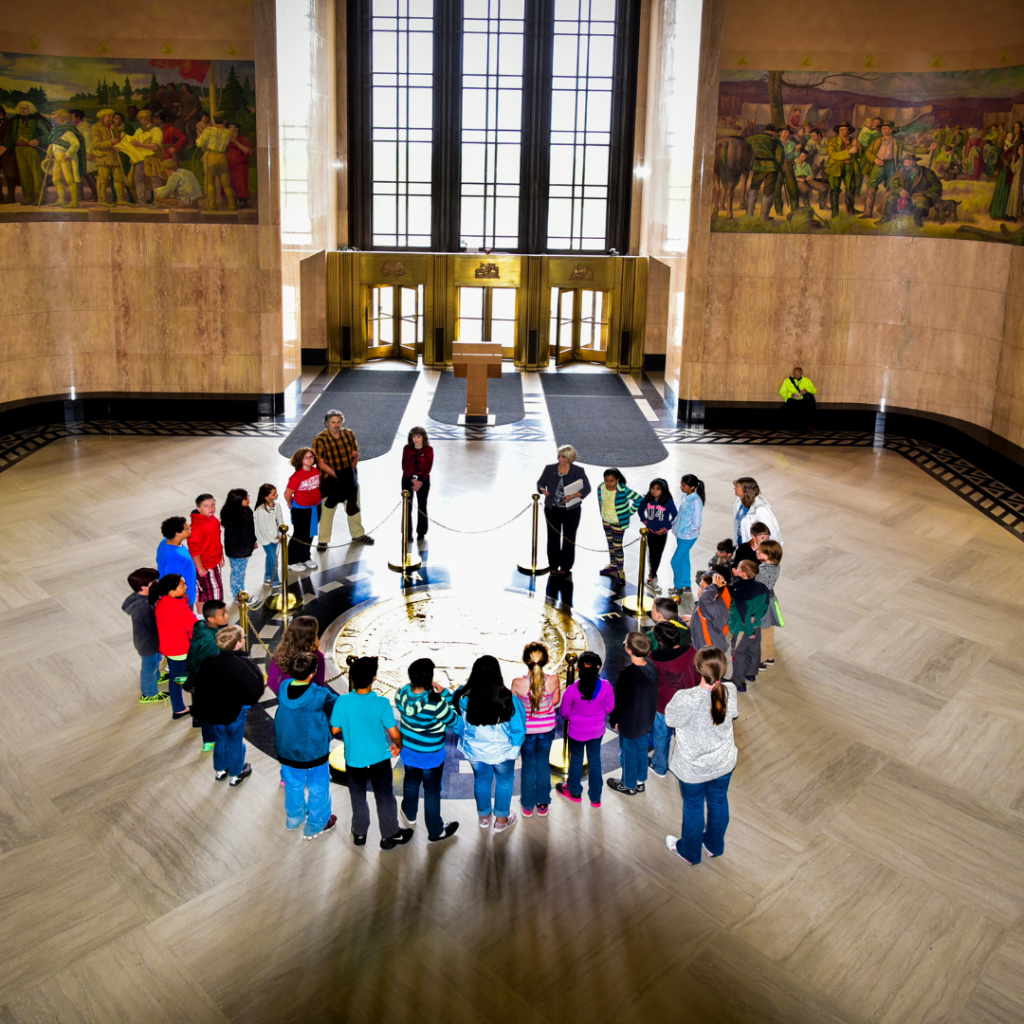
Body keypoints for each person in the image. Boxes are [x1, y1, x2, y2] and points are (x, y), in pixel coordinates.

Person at [664, 647, 738, 866]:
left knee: (694, 806)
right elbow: (731, 714)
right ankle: (714, 846)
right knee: (718, 801)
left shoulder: (686, 698)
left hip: (693, 768)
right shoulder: (730, 690)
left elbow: (670, 720)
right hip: (723, 762)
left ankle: (689, 851)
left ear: (697, 670)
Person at [330, 656, 413, 849]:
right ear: (374, 678)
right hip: (380, 759)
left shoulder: (343, 701)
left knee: (357, 796)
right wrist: (398, 745)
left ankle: (359, 833)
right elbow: (393, 733)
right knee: (384, 796)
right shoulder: (382, 703)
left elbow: (334, 730)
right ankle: (389, 834)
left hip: (354, 760)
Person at [453, 655, 527, 832]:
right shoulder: (508, 699)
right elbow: (519, 729)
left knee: (481, 781)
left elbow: (457, 722)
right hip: (502, 752)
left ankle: (484, 817)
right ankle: (501, 820)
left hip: (475, 751)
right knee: (504, 781)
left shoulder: (464, 698)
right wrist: (515, 746)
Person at [395, 657, 460, 843]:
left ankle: (410, 813)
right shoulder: (436, 703)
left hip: (409, 751)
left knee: (411, 782)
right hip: (431, 755)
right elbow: (453, 719)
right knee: (431, 792)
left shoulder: (401, 694)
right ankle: (435, 830)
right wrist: (446, 694)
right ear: (429, 679)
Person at [190, 625, 264, 786]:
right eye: (243, 638)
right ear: (238, 643)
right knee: (235, 742)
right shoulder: (244, 663)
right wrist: (247, 702)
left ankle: (220, 770)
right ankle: (236, 775)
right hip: (236, 711)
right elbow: (257, 686)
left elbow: (200, 685)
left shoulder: (209, 661)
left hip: (215, 711)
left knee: (221, 739)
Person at [275, 651, 338, 839]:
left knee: (293, 784)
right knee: (318, 786)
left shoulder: (284, 686)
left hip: (287, 750)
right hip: (313, 751)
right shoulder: (320, 694)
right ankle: (317, 823)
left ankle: (294, 818)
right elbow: (337, 707)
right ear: (313, 673)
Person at [555, 651, 614, 807]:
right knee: (595, 761)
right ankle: (595, 797)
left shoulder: (572, 690)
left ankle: (574, 791)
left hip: (576, 732)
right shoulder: (606, 686)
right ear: (599, 668)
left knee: (576, 760)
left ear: (577, 669)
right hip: (597, 731)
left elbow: (564, 713)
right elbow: (609, 708)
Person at [510, 642, 562, 817]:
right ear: (545, 660)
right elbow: (555, 702)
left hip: (527, 731)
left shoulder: (517, 683)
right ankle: (542, 804)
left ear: (526, 661)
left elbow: (514, 707)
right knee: (543, 765)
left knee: (528, 766)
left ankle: (527, 805)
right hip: (547, 729)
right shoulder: (554, 680)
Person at [313, 409, 373, 551]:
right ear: (327, 423)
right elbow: (321, 463)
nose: (336, 425)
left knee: (354, 507)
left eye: (339, 422)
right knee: (328, 509)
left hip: (349, 479)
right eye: (333, 422)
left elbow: (355, 454)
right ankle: (323, 541)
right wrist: (338, 476)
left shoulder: (349, 434)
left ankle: (358, 534)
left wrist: (349, 472)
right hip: (329, 481)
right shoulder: (319, 439)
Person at [607, 632, 658, 796]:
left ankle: (628, 784)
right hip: (646, 720)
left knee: (628, 753)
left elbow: (620, 700)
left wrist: (614, 719)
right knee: (642, 750)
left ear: (628, 650)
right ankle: (641, 780)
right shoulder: (650, 666)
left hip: (630, 722)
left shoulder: (628, 674)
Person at [649, 621, 699, 779]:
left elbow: (651, 681)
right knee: (685, 738)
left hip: (663, 706)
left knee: (661, 737)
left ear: (660, 642)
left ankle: (660, 767)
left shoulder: (654, 657)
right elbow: (698, 676)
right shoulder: (692, 651)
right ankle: (686, 768)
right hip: (687, 704)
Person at [537, 444, 592, 576]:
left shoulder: (578, 470)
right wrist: (542, 490)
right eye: (559, 456)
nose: (560, 458)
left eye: (563, 456)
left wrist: (573, 495)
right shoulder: (550, 469)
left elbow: (587, 489)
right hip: (552, 509)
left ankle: (566, 567)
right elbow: (540, 483)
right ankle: (553, 565)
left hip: (571, 511)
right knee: (553, 537)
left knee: (569, 538)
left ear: (570, 457)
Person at [185, 599, 230, 752]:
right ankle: (211, 738)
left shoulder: (200, 626)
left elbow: (192, 654)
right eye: (223, 614)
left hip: (201, 682)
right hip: (208, 683)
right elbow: (202, 664)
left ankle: (207, 737)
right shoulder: (212, 641)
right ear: (211, 619)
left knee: (203, 710)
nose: (227, 616)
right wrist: (190, 682)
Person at [150, 573, 197, 719]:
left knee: (175, 678)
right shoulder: (179, 608)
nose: (186, 587)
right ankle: (198, 716)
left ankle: (178, 708)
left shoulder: (162, 603)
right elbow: (195, 627)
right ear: (172, 591)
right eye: (182, 586)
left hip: (170, 649)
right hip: (182, 649)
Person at [122, 567, 167, 704]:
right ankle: (149, 693)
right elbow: (153, 626)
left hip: (146, 641)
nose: (157, 582)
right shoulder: (144, 607)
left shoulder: (138, 597)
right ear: (144, 587)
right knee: (149, 666)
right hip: (149, 644)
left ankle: (157, 676)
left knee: (155, 661)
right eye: (154, 581)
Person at [728, 560, 770, 692]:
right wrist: (755, 618)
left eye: (739, 568)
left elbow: (743, 615)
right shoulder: (763, 587)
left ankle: (738, 682)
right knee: (754, 649)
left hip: (743, 629)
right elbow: (765, 606)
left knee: (738, 653)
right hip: (756, 625)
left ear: (744, 573)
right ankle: (751, 674)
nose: (737, 569)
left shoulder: (740, 590)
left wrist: (749, 630)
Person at [596, 468, 643, 582]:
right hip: (606, 520)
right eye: (606, 480)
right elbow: (601, 502)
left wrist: (629, 513)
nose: (609, 483)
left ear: (617, 480)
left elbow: (639, 499)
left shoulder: (623, 490)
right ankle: (613, 566)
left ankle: (620, 571)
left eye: (611, 481)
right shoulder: (601, 488)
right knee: (611, 545)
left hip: (618, 522)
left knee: (617, 546)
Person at [267, 616, 327, 696]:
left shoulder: (281, 652)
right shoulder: (318, 656)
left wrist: (285, 695)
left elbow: (272, 682)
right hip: (308, 697)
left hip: (287, 698)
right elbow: (320, 683)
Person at [878, 154, 942, 228]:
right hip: (905, 195)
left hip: (919, 195)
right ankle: (885, 218)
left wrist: (925, 192)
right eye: (904, 163)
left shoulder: (926, 172)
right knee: (891, 197)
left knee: (920, 202)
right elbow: (893, 184)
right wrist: (900, 190)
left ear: (914, 163)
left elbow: (937, 185)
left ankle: (917, 220)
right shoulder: (901, 172)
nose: (905, 165)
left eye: (908, 162)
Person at [284, 447, 322, 572]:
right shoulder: (296, 477)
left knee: (310, 534)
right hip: (301, 510)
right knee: (299, 535)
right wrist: (291, 505)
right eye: (306, 457)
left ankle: (305, 557)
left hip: (315, 507)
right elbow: (288, 494)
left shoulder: (316, 471)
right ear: (300, 460)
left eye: (311, 457)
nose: (310, 459)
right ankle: (291, 561)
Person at [638, 478, 677, 594]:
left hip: (662, 534)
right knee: (651, 553)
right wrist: (645, 521)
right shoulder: (647, 500)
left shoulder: (668, 502)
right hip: (650, 532)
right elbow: (640, 510)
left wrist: (666, 528)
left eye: (658, 489)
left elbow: (675, 516)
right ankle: (652, 575)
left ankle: (652, 576)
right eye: (653, 488)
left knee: (657, 554)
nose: (654, 491)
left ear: (663, 490)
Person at [670, 474, 705, 598]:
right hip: (680, 534)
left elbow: (696, 523)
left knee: (675, 561)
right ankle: (686, 585)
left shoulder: (696, 501)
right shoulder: (685, 496)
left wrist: (685, 532)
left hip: (687, 537)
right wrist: (674, 524)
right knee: (684, 559)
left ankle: (678, 587)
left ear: (692, 487)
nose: (681, 487)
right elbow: (681, 514)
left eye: (684, 485)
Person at [188, 493, 226, 606]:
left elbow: (217, 540)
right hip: (207, 566)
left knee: (203, 593)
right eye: (206, 506)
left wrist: (221, 556)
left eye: (213, 505)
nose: (211, 508)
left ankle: (202, 618)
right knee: (216, 595)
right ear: (198, 508)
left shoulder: (214, 520)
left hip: (214, 561)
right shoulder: (197, 527)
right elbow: (194, 550)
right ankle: (216, 619)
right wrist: (200, 568)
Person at [221, 488, 257, 600]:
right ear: (238, 500)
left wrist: (253, 541)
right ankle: (238, 596)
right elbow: (233, 538)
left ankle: (241, 591)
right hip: (237, 552)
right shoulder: (232, 518)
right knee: (237, 574)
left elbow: (250, 529)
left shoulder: (246, 510)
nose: (249, 499)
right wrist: (242, 549)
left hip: (245, 549)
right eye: (246, 497)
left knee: (241, 572)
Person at [157, 515, 198, 608]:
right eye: (187, 528)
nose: (190, 528)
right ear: (177, 534)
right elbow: (175, 584)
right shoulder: (174, 557)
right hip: (182, 601)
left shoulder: (165, 542)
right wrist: (185, 601)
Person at [686, 573, 732, 654]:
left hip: (707, 650)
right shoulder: (708, 606)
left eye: (703, 588)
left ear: (714, 593)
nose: (699, 590)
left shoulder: (713, 608)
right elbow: (704, 617)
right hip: (700, 642)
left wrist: (714, 585)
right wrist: (693, 619)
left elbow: (705, 600)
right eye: (699, 586)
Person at [196, 115, 236, 211]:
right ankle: (232, 205)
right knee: (226, 183)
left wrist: (199, 137)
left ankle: (212, 205)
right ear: (224, 121)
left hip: (211, 156)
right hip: (222, 157)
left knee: (210, 182)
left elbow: (199, 143)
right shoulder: (228, 132)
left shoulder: (209, 130)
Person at [745, 123, 783, 220]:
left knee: (753, 189)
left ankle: (749, 215)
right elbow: (780, 157)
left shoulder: (753, 138)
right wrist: (779, 164)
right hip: (772, 168)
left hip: (758, 167)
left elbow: (745, 144)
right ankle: (763, 217)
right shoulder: (775, 140)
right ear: (773, 132)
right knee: (768, 192)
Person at [401, 426, 433, 540]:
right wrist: (412, 479)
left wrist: (419, 480)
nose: (416, 439)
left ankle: (421, 532)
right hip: (407, 480)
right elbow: (404, 465)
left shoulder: (428, 450)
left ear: (423, 438)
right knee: (407, 506)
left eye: (418, 436)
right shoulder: (407, 448)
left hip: (423, 481)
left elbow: (428, 467)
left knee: (422, 506)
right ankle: (407, 533)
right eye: (414, 436)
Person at [756, 540, 783, 670]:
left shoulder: (763, 571)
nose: (757, 551)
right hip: (771, 600)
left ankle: (761, 659)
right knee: (769, 628)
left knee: (762, 630)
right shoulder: (775, 568)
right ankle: (769, 654)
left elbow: (759, 587)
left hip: (762, 602)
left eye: (760, 551)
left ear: (768, 555)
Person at [732, 477, 783, 547]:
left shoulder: (761, 510)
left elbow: (772, 531)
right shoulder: (739, 502)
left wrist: (772, 552)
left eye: (737, 487)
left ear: (745, 490)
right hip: (742, 545)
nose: (734, 488)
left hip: (755, 549)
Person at [825, 121, 860, 217]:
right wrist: (849, 151)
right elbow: (833, 155)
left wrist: (858, 147)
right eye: (840, 129)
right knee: (834, 190)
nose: (841, 131)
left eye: (844, 129)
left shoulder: (853, 140)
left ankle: (850, 211)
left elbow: (859, 155)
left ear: (848, 131)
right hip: (834, 167)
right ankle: (835, 213)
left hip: (849, 167)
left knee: (851, 188)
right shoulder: (832, 140)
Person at [253, 483, 285, 589]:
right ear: (266, 497)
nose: (277, 495)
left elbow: (280, 520)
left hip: (275, 536)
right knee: (274, 559)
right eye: (274, 494)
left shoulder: (277, 506)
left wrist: (280, 534)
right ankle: (275, 580)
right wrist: (274, 540)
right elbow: (263, 530)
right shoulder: (260, 510)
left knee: (270, 557)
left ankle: (267, 577)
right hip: (266, 539)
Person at [779, 366, 817, 430]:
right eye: (795, 373)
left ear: (802, 373)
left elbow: (814, 391)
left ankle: (798, 427)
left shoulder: (807, 380)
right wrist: (791, 395)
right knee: (800, 408)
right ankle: (807, 425)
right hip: (791, 400)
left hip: (802, 400)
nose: (796, 375)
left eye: (798, 373)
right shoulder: (787, 381)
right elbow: (782, 392)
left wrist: (806, 390)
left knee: (802, 408)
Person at [226, 123, 252, 208]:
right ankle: (232, 202)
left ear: (237, 129)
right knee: (230, 183)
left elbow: (247, 150)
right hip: (230, 164)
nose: (229, 128)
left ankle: (243, 202)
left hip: (240, 165)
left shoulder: (243, 139)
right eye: (229, 127)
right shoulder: (226, 139)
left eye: (231, 127)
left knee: (241, 183)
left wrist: (235, 142)